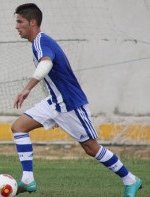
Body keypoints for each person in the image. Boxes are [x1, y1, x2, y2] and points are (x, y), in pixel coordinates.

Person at [12, 3, 142, 197]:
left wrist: (27, 89)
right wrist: (54, 114)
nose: (16, 26)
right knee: (18, 127)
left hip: (70, 104)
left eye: (20, 22)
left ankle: (130, 179)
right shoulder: (38, 43)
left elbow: (46, 63)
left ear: (32, 22)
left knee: (91, 148)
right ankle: (28, 179)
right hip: (55, 102)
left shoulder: (41, 42)